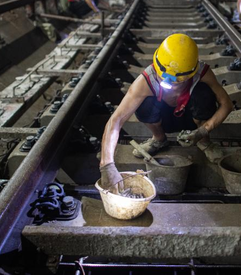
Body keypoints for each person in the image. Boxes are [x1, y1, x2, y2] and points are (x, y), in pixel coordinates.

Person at [99, 34, 234, 192]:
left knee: (204, 94)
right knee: (144, 103)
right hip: (163, 120)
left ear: (189, 73)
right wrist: (106, 165)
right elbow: (116, 120)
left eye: (175, 81)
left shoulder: (201, 73)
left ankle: (203, 142)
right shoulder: (146, 80)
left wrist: (203, 131)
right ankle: (159, 139)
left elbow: (226, 104)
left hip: (192, 121)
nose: (167, 83)